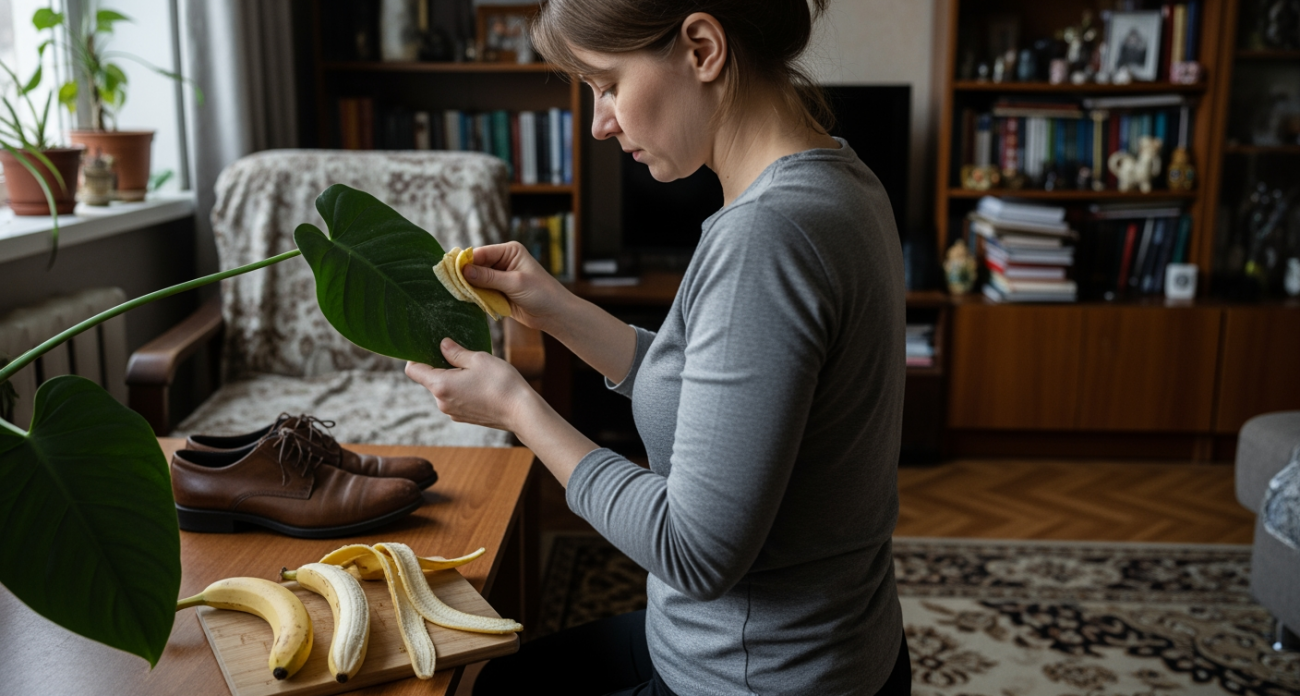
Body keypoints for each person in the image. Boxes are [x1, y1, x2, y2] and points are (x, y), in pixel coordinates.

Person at [403, 0, 909, 693]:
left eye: (607, 84)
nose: (599, 122)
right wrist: (554, 309)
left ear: (702, 48)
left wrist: (520, 411)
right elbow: (721, 399)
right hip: (831, 649)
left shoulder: (764, 238)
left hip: (755, 674)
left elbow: (693, 551)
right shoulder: (839, 176)